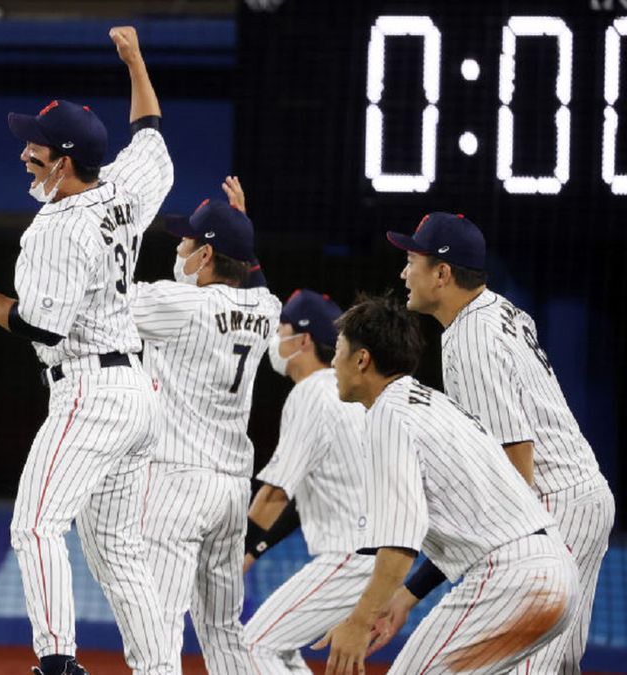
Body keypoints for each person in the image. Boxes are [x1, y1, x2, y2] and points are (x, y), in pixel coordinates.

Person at [0, 26, 175, 675]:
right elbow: (151, 133)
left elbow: (41, 330)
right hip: (137, 394)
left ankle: (57, 663)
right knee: (117, 550)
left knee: (35, 523)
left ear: (66, 162)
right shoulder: (123, 190)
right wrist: (136, 63)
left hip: (91, 389)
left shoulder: (55, 230)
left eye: (36, 148)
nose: (26, 155)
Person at [387, 212, 615, 674]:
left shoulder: (469, 338)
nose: (404, 273)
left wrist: (419, 586)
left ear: (443, 273)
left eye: (412, 260)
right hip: (583, 495)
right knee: (555, 663)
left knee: (525, 665)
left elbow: (515, 473)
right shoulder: (503, 310)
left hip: (554, 509)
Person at [316, 294, 577, 675]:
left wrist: (358, 622)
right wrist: (402, 598)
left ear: (362, 359)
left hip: (512, 580)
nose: (333, 363)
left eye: (338, 351)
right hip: (555, 570)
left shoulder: (388, 415)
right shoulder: (436, 405)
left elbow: (400, 545)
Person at [129, 193, 282, 674]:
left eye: (186, 242)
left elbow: (100, 302)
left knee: (156, 629)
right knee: (222, 630)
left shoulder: (179, 302)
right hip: (233, 489)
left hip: (177, 483)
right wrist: (241, 224)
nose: (179, 251)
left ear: (207, 255)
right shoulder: (266, 308)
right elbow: (254, 279)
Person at [240, 290, 371, 674]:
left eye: (281, 329)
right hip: (371, 554)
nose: (275, 341)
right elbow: (298, 500)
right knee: (277, 647)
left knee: (254, 647)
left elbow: (275, 494)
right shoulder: (343, 391)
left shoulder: (312, 393)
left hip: (349, 556)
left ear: (304, 340)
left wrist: (235, 554)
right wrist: (254, 551)